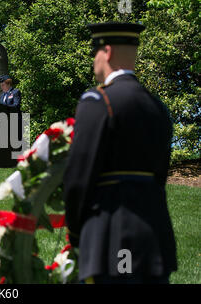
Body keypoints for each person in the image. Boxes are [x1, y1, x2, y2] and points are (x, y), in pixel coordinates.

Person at [63, 22, 177, 284]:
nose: (93, 61)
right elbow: (159, 176)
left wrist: (77, 232)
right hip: (154, 237)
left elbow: (79, 177)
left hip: (111, 235)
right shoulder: (157, 107)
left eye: (95, 53)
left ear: (108, 52)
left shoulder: (98, 100)